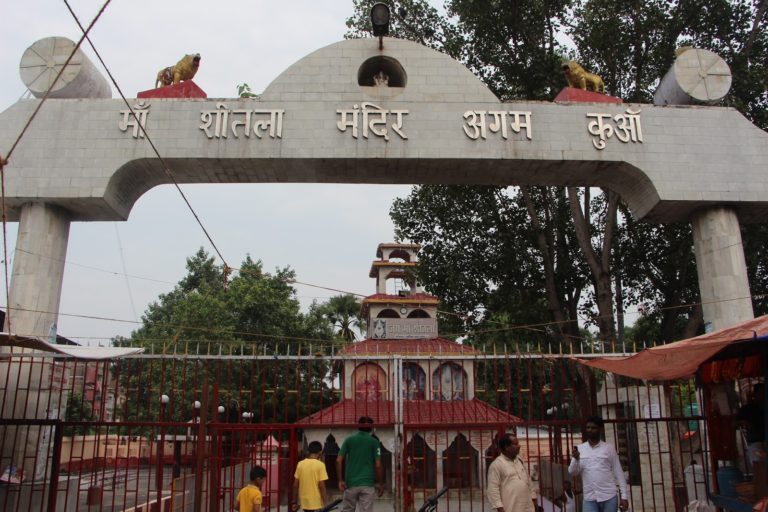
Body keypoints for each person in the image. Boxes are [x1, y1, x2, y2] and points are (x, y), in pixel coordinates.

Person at [568, 416, 629, 512]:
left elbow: (619, 472)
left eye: (593, 428)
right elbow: (572, 472)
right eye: (588, 427)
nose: (590, 430)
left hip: (609, 497)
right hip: (589, 499)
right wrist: (576, 459)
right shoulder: (580, 449)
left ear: (600, 429)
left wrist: (624, 496)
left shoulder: (608, 448)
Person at [336, 416, 384, 512]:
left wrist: (340, 480)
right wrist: (380, 484)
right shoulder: (374, 442)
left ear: (358, 426)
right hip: (367, 484)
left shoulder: (349, 440)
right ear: (371, 428)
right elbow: (378, 465)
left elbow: (338, 460)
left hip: (350, 484)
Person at [486, 434, 539, 512]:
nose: (519, 446)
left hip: (527, 507)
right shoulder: (496, 465)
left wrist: (534, 497)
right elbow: (493, 489)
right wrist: (500, 508)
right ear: (507, 447)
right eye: (516, 444)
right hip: (511, 507)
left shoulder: (520, 461)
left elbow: (528, 480)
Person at [292, 441, 329, 512]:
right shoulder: (320, 465)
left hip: (303, 501)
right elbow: (322, 486)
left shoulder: (300, 464)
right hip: (316, 502)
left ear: (309, 451)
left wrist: (294, 502)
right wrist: (325, 503)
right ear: (320, 452)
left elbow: (295, 485)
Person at [736, 383, 766, 466]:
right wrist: (744, 422)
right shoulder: (748, 408)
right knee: (759, 466)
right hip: (756, 443)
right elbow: (734, 423)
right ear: (755, 394)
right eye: (761, 393)